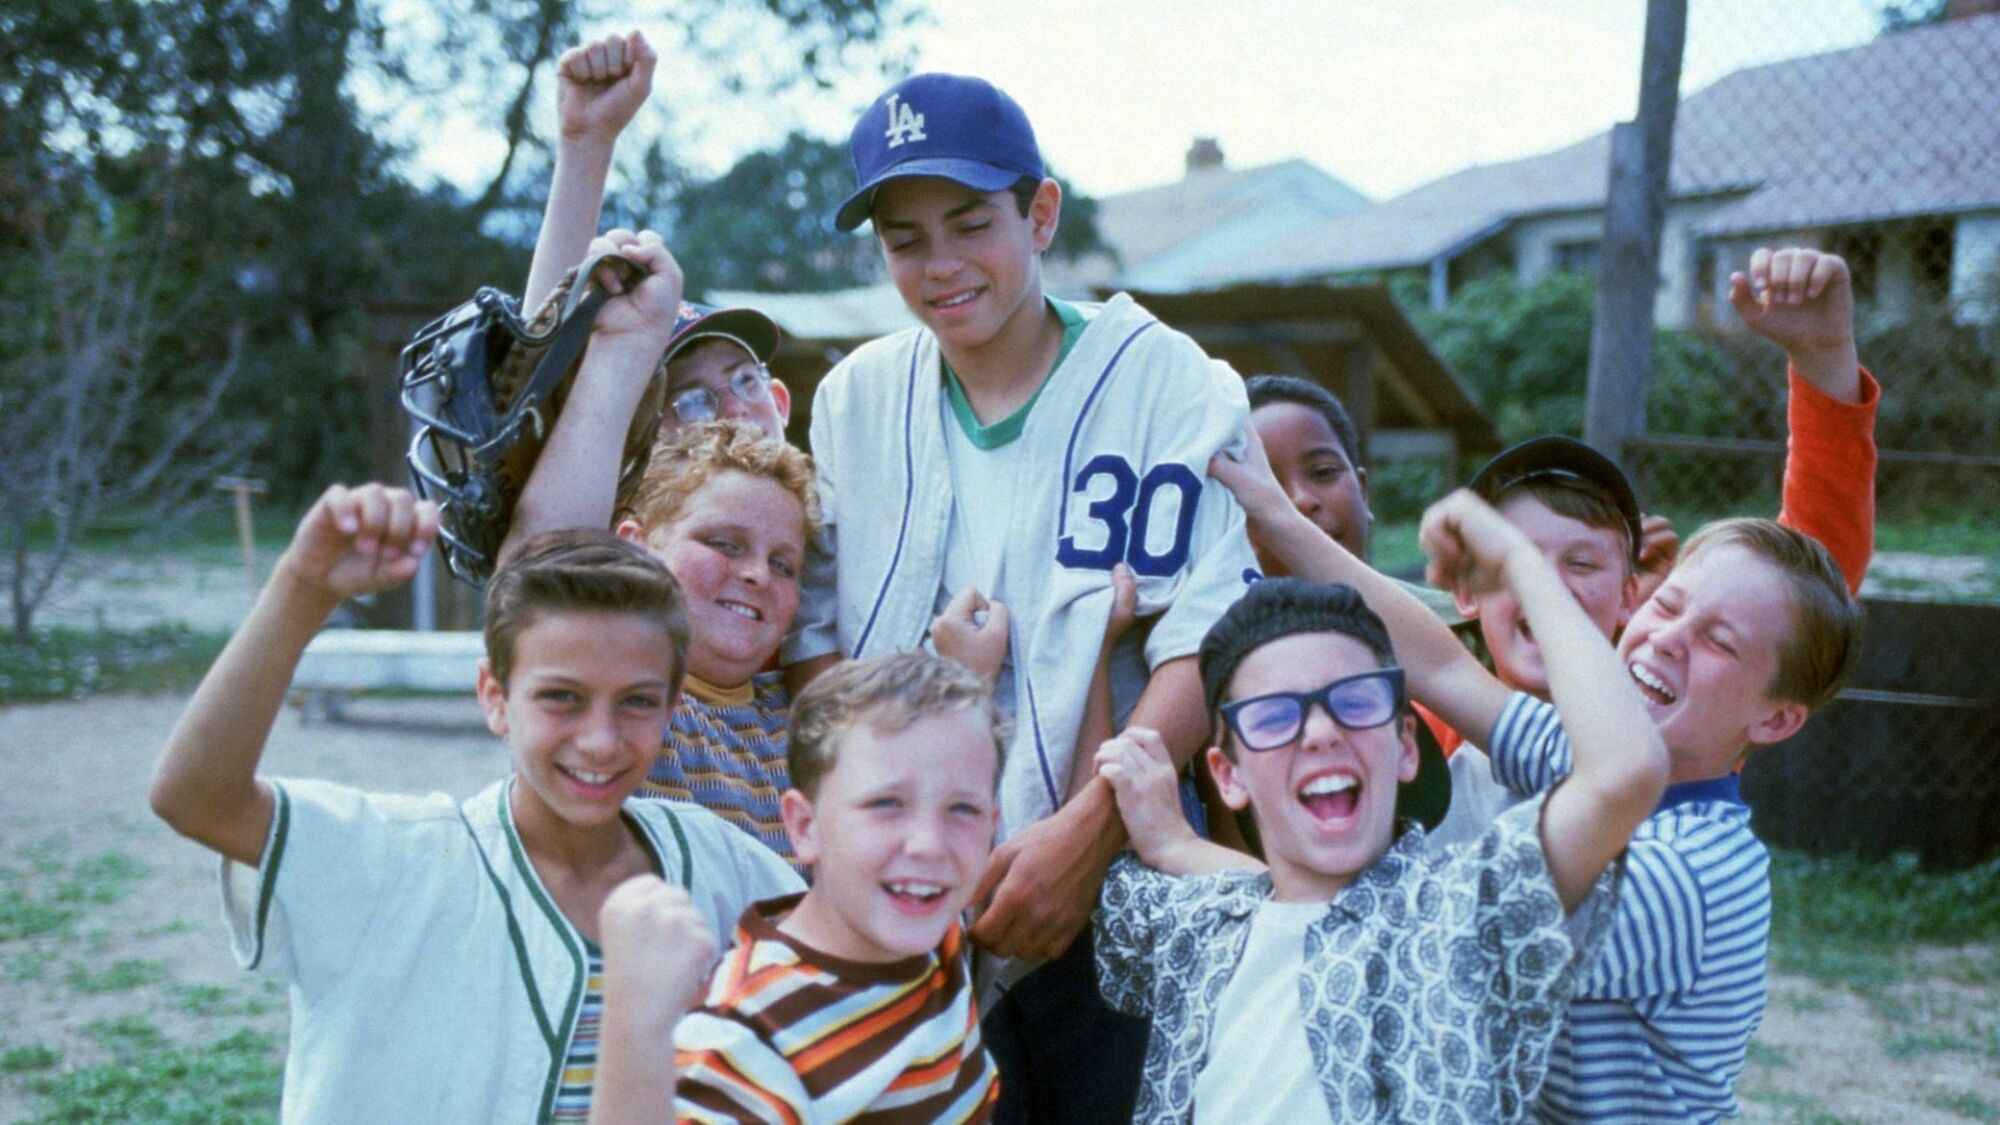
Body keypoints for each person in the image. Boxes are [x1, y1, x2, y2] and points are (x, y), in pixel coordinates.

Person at [786, 72, 1262, 1119]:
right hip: (903, 894)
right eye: (904, 239)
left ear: (1039, 212)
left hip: (1118, 880)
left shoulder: (1167, 379)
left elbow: (1207, 633)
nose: (940, 263)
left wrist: (1090, 833)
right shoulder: (859, 396)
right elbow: (810, 637)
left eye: (970, 223)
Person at [1211, 458, 1863, 1120]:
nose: (1667, 639)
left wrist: (1186, 849)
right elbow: (1441, 665)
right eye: (1669, 604)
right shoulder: (1580, 757)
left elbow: (1409, 943)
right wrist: (1273, 513)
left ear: (1775, 719)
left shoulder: (1687, 875)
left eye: (1718, 641)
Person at [148, 493, 801, 1122]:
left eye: (636, 701)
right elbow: (195, 797)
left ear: (670, 706)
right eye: (562, 698)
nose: (600, 740)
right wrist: (304, 586)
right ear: (494, 694)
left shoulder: (721, 866)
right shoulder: (403, 860)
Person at [1089, 493, 1667, 1120]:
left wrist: (1522, 565)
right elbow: (1084, 847)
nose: (1319, 732)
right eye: (1275, 715)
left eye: (1357, 701)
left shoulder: (1467, 912)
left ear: (1405, 745)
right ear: (1229, 776)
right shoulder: (1199, 922)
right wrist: (1098, 655)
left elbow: (1625, 771)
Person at [588, 651, 1006, 1124]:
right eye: (887, 803)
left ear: (992, 824)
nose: (929, 845)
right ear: (805, 826)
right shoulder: (741, 1044)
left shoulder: (935, 935)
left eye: (963, 810)